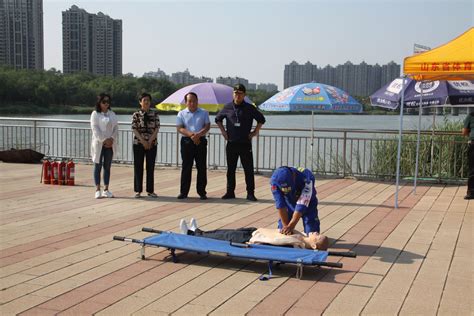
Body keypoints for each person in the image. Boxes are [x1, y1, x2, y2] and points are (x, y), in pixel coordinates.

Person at [215, 84, 266, 201]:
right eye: (235, 93)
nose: (237, 95)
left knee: (248, 169)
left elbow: (261, 120)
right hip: (232, 143)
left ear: (244, 95)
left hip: (245, 143)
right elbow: (218, 119)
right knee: (230, 169)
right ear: (233, 94)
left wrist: (255, 132)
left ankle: (250, 193)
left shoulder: (249, 108)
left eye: (240, 93)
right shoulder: (227, 107)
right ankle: (230, 191)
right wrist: (223, 131)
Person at [178, 218, 328, 250]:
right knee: (223, 232)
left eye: (318, 236)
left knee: (222, 236)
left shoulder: (297, 243)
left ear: (314, 244)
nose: (316, 232)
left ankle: (191, 234)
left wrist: (255, 243)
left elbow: (275, 241)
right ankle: (197, 231)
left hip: (251, 238)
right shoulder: (301, 236)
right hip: (255, 231)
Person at [176, 92, 211, 200]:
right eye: (190, 101)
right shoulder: (181, 113)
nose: (192, 103)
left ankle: (202, 192)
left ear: (197, 101)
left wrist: (198, 135)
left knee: (201, 167)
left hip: (200, 141)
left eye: (194, 101)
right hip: (187, 142)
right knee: (186, 167)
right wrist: (192, 135)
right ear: (186, 102)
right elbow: (180, 128)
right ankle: (184, 192)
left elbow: (207, 125)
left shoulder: (204, 112)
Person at [270, 166, 320, 236]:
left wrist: (291, 225)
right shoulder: (274, 181)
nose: (288, 189)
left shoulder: (307, 177)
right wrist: (286, 227)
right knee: (282, 233)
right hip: (289, 204)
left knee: (312, 234)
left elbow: (302, 204)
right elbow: (280, 204)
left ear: (293, 176)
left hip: (308, 204)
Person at [90, 93, 118, 199]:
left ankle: (106, 189)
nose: (106, 104)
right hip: (99, 144)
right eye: (104, 102)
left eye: (108, 102)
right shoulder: (95, 114)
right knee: (98, 165)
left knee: (107, 166)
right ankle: (97, 189)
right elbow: (95, 129)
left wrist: (111, 139)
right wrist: (104, 140)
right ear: (99, 103)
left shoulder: (112, 114)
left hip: (110, 144)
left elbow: (116, 128)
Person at [132, 92, 160, 198]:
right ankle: (138, 190)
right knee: (138, 166)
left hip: (152, 144)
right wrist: (143, 141)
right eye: (144, 100)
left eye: (148, 100)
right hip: (138, 143)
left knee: (150, 167)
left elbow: (157, 128)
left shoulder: (155, 114)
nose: (146, 102)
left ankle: (150, 190)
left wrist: (150, 141)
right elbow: (134, 129)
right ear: (140, 102)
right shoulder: (136, 114)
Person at [463, 111, 474, 200]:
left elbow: (464, 132)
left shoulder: (470, 116)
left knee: (472, 169)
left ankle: (471, 192)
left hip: (473, 144)